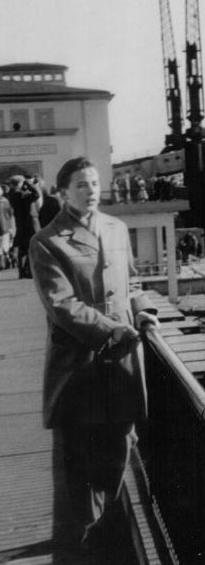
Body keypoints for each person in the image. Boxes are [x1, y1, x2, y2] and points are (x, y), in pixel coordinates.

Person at [28, 157, 160, 556]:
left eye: (94, 183)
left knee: (117, 457)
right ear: (62, 192)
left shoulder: (116, 229)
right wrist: (109, 329)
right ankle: (84, 549)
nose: (90, 190)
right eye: (81, 185)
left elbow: (131, 280)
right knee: (79, 477)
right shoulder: (47, 241)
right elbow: (61, 304)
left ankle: (104, 541)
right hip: (79, 373)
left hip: (121, 368)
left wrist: (140, 308)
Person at [8, 174, 40, 278]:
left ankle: (21, 271)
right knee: (31, 248)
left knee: (22, 249)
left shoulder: (11, 194)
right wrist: (28, 183)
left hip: (20, 223)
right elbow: (36, 194)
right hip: (29, 223)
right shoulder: (21, 194)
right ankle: (28, 271)